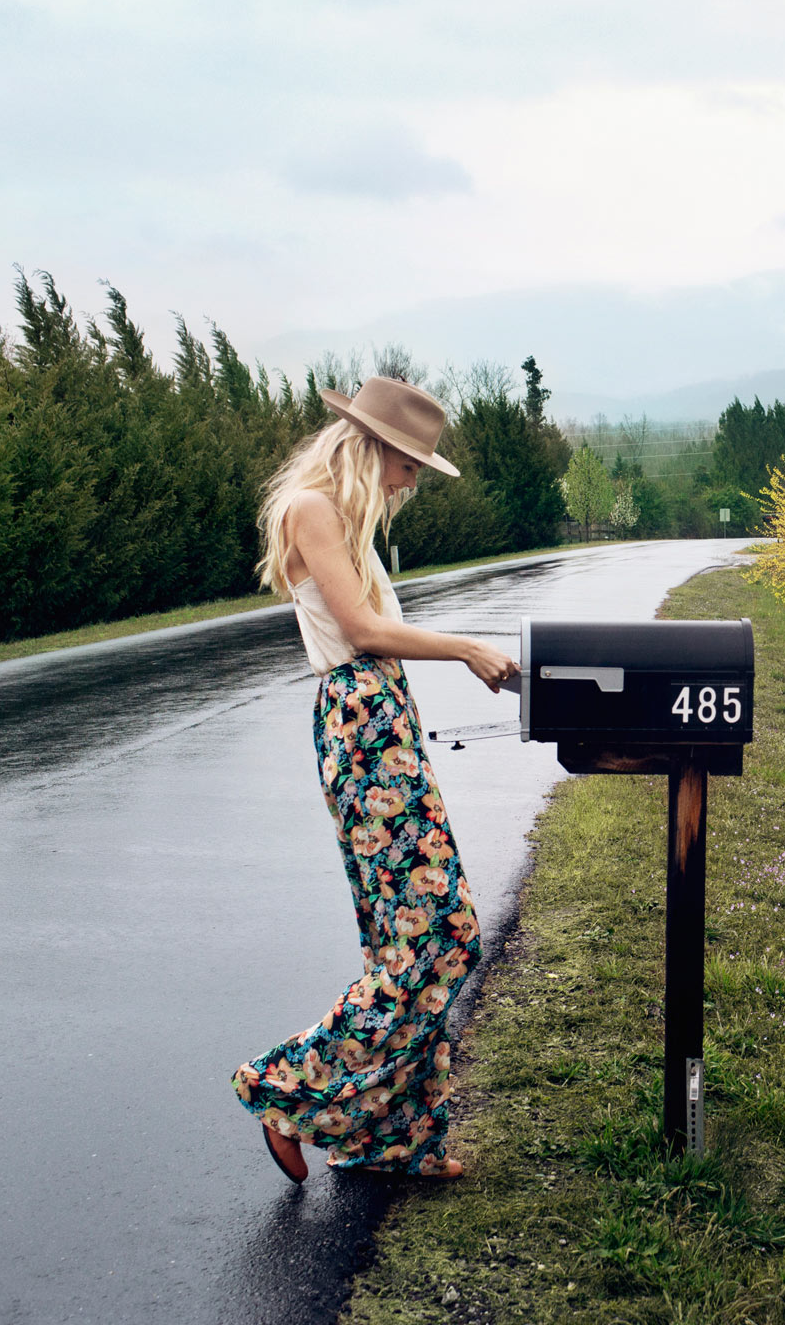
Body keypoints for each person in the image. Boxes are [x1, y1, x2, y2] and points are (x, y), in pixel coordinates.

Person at [232, 375, 518, 1182]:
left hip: (378, 717)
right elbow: (360, 630)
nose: (412, 481)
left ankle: (392, 1140)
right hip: (362, 724)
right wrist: (464, 646)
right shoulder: (313, 510)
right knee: (439, 932)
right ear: (376, 448)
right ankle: (287, 1089)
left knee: (413, 938)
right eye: (411, 464)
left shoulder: (343, 518)